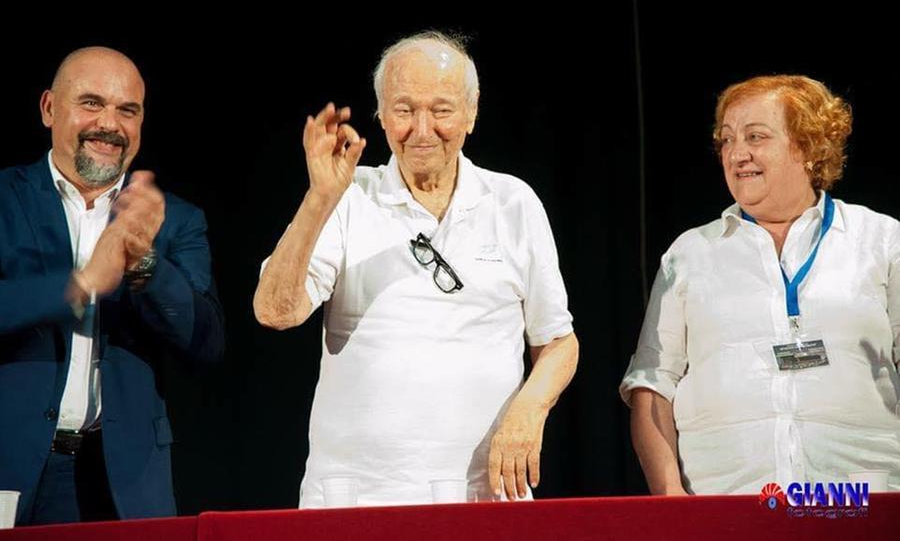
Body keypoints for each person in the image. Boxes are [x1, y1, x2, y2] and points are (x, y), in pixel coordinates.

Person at [254, 31, 579, 506]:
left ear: (471, 113)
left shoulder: (514, 202)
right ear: (382, 115)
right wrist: (319, 198)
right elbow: (274, 311)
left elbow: (558, 342)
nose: (422, 130)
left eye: (441, 110)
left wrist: (530, 408)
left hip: (482, 497)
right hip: (355, 499)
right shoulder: (347, 198)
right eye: (404, 110)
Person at [621, 74, 900, 494]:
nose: (737, 154)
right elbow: (651, 386)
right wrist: (672, 503)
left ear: (807, 147)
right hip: (725, 507)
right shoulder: (691, 254)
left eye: (756, 136)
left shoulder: (881, 240)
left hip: (863, 504)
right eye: (727, 140)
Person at [0, 46, 225, 524]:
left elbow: (206, 344)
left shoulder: (174, 220)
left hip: (122, 482)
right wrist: (79, 284)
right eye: (91, 103)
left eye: (128, 110)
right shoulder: (3, 199)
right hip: (10, 467)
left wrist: (145, 263)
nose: (110, 124)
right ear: (48, 109)